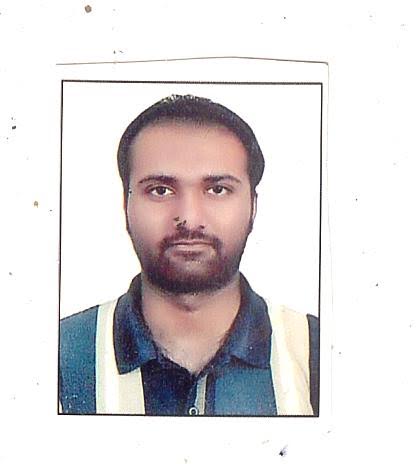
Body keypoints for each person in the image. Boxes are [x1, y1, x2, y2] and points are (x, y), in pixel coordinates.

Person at [59, 94, 319, 416]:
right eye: (160, 190)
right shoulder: (56, 356)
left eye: (217, 189)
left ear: (253, 207)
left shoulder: (319, 353)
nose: (190, 218)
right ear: (125, 205)